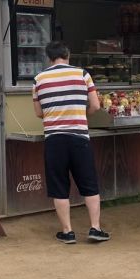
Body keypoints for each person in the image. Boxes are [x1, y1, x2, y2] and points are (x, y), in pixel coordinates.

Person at [32, 41, 111, 244]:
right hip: (79, 138)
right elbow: (95, 105)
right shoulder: (82, 75)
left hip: (54, 140)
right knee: (89, 184)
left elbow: (39, 112)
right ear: (68, 54)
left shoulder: (38, 79)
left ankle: (67, 232)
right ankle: (95, 228)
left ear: (49, 58)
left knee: (59, 185)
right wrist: (79, 115)